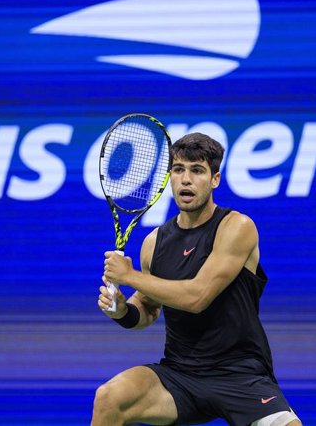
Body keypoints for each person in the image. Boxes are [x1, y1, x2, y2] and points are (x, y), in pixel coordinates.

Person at [94, 132, 302, 426]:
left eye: (197, 170)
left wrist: (130, 276)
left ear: (214, 179)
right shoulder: (154, 243)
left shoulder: (237, 227)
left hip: (240, 375)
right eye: (178, 170)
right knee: (110, 398)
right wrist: (122, 311)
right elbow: (149, 306)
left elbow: (197, 297)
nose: (186, 180)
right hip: (180, 376)